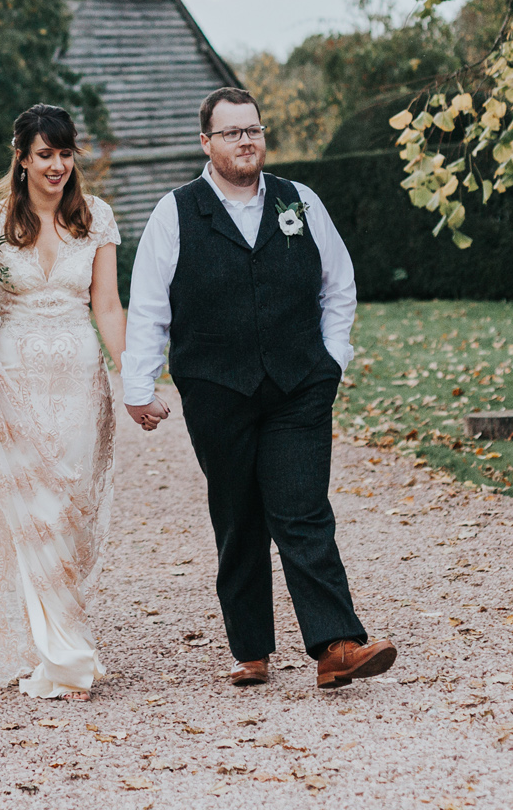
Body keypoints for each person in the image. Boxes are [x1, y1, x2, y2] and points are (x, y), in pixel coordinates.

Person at [122, 86, 396, 689]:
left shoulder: (301, 201)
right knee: (238, 514)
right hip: (217, 390)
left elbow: (339, 284)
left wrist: (333, 361)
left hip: (299, 386)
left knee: (302, 510)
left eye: (253, 129)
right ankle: (250, 648)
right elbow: (148, 307)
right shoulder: (177, 211)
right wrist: (138, 385)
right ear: (207, 143)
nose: (245, 140)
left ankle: (336, 646)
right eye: (231, 132)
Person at [0, 103, 124, 699]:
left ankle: (61, 631)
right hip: (12, 387)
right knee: (32, 513)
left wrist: (135, 377)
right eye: (45, 154)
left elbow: (107, 306)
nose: (58, 165)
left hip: (79, 384)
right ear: (21, 157)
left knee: (71, 509)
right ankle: (62, 654)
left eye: (66, 154)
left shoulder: (97, 220)